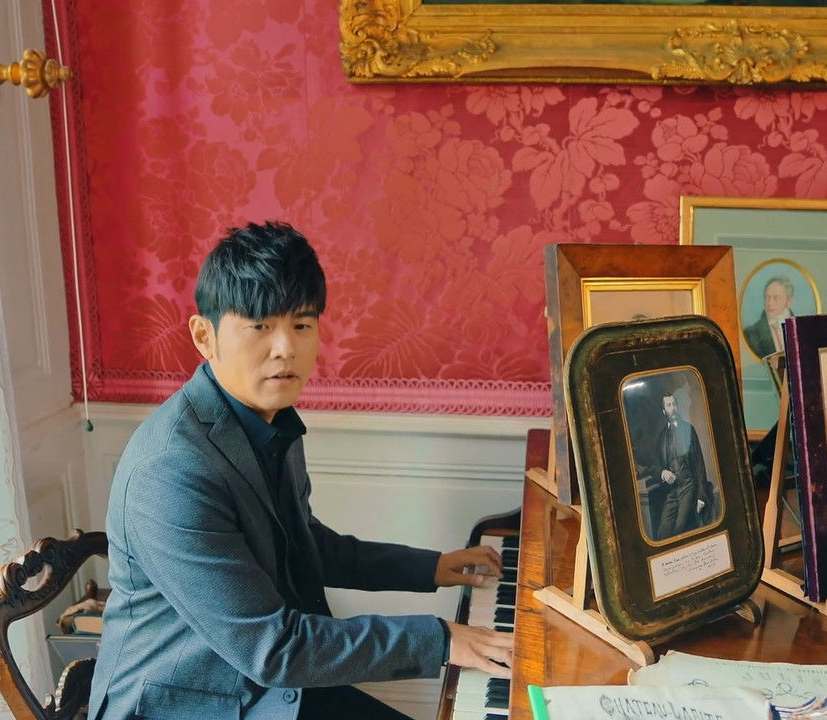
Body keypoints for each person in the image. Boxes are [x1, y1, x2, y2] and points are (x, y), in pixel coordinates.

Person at [87, 222, 513, 720]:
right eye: (260, 326)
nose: (285, 348)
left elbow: (304, 547)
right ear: (205, 336)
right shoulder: (171, 472)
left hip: (266, 683)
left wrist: (431, 567)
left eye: (302, 325)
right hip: (188, 704)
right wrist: (440, 640)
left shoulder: (269, 419)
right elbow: (271, 648)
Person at [652, 385, 714, 539]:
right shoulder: (661, 436)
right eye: (668, 405)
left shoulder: (688, 429)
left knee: (680, 529)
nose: (672, 408)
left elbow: (699, 464)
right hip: (671, 491)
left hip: (688, 487)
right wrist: (663, 473)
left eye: (674, 404)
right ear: (663, 411)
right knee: (662, 533)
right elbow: (655, 465)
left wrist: (701, 496)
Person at [743, 276, 795, 359]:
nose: (770, 303)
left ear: (788, 302)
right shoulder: (751, 335)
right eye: (767, 297)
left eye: (776, 298)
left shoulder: (801, 329)